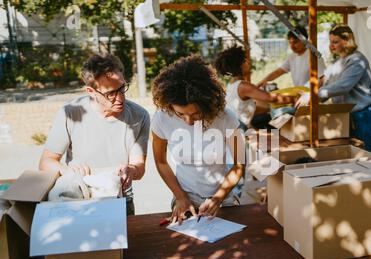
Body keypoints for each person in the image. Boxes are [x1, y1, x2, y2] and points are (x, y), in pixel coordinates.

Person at [39, 54, 150, 215]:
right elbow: (46, 162)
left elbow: (139, 168)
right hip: (77, 199)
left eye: (122, 88)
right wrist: (66, 170)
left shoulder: (140, 116)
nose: (120, 98)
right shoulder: (70, 113)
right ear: (91, 91)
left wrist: (131, 170)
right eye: (110, 93)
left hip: (119, 200)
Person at [151, 55, 245, 224]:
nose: (188, 121)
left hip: (222, 197)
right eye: (180, 114)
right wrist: (180, 197)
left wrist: (218, 198)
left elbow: (240, 164)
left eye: (196, 114)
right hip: (184, 197)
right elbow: (161, 162)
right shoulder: (161, 118)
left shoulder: (226, 117)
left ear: (207, 104)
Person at [298, 25, 371, 152]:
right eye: (331, 42)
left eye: (335, 42)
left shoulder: (357, 60)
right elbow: (325, 82)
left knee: (362, 154)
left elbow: (342, 86)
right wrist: (307, 92)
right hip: (348, 114)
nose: (331, 45)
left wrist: (313, 95)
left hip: (363, 114)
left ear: (347, 41)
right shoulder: (339, 62)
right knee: (349, 154)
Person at [215, 45, 299, 129]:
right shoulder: (243, 86)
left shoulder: (232, 84)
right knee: (289, 110)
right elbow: (271, 98)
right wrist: (296, 98)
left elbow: (254, 106)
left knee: (270, 112)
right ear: (239, 66)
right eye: (244, 61)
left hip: (236, 125)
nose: (248, 62)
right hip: (240, 128)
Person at [256, 26, 326, 89]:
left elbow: (323, 79)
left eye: (295, 42)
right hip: (300, 95)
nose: (292, 46)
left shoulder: (314, 56)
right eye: (290, 42)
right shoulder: (291, 57)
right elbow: (279, 71)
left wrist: (310, 95)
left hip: (313, 98)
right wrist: (264, 80)